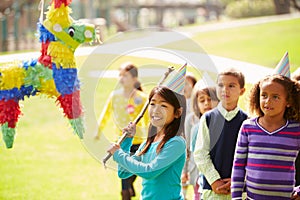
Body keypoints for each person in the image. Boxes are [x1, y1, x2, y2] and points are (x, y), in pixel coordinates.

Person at [107, 86, 187, 200]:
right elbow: (123, 172)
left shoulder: (176, 143)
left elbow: (149, 171)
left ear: (177, 113)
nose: (156, 110)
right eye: (152, 104)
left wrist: (118, 154)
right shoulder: (147, 144)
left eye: (163, 105)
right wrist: (127, 141)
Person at [231, 74, 300, 199]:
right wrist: (236, 197)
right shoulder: (248, 127)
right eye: (264, 95)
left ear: (288, 101)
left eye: (275, 97)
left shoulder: (296, 130)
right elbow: (238, 165)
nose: (268, 101)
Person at [95, 62, 149, 199]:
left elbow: (148, 120)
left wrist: (151, 136)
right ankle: (126, 192)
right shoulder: (114, 96)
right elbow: (106, 114)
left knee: (134, 170)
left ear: (134, 79)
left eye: (125, 75)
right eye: (120, 75)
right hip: (120, 143)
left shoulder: (141, 98)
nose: (121, 78)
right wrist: (98, 131)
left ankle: (129, 186)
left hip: (138, 143)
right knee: (124, 179)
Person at [193, 68, 248, 199]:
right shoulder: (207, 118)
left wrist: (237, 180)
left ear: (242, 91)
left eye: (231, 86)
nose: (225, 89)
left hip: (239, 191)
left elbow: (250, 157)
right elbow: (200, 154)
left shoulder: (247, 121)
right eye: (221, 85)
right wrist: (214, 180)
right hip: (212, 191)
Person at [182, 83, 219, 200]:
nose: (207, 103)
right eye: (202, 100)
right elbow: (187, 148)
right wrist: (185, 170)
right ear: (196, 104)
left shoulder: (222, 123)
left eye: (210, 99)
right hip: (196, 171)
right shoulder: (192, 121)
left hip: (216, 173)